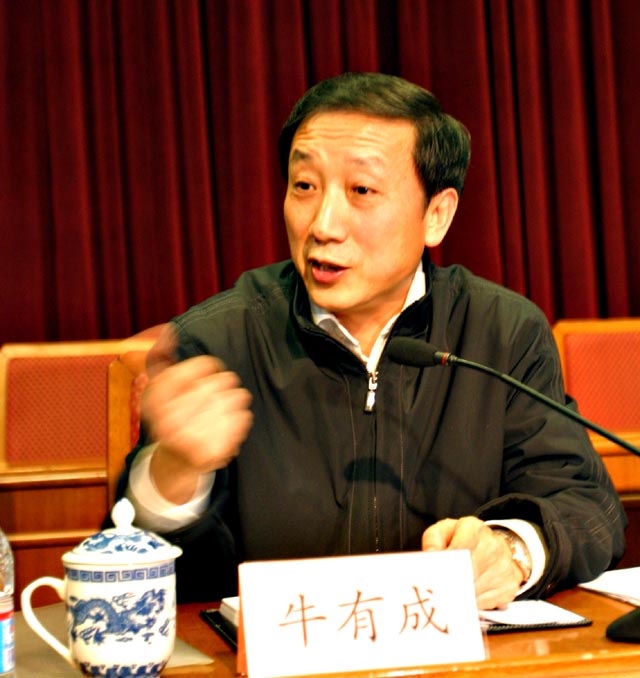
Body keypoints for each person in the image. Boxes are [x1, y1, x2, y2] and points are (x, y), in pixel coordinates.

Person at [114, 72, 626, 610]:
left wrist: (511, 550)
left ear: (436, 215)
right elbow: (144, 582)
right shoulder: (217, 342)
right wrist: (175, 476)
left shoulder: (501, 333)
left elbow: (586, 505)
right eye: (304, 186)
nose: (323, 225)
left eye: (361, 191)